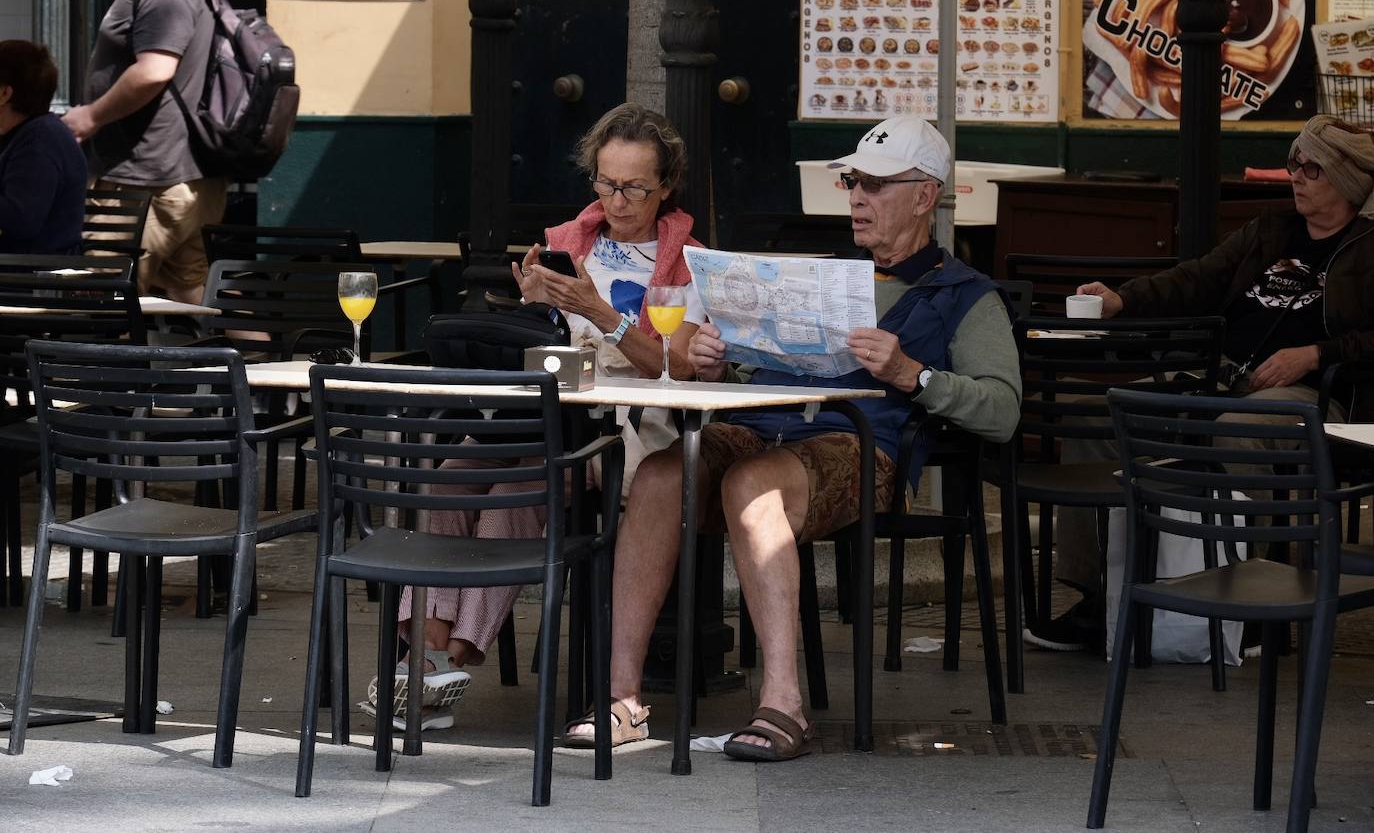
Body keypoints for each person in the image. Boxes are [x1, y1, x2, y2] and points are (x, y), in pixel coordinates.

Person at [564, 116, 1021, 759]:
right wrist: (726, 361)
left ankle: (784, 704)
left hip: (865, 448)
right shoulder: (826, 280)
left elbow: (1002, 412)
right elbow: (761, 369)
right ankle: (621, 701)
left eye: (877, 186)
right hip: (759, 426)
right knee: (664, 472)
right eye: (853, 181)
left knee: (752, 485)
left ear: (925, 196)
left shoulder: (965, 294)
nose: (858, 197)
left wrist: (913, 375)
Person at [365, 103, 706, 731]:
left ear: (666, 188)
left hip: (623, 430)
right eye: (606, 183)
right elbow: (540, 347)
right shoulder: (566, 243)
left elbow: (678, 367)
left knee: (514, 495)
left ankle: (443, 663)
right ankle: (430, 663)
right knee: (449, 478)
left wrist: (603, 314)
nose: (618, 200)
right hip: (540, 417)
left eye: (635, 187)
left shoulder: (692, 262)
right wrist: (534, 310)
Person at [1033, 113, 1374, 653]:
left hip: (1319, 393)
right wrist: (1125, 298)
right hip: (1223, 374)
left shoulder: (1369, 246)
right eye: (1294, 163)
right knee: (1101, 413)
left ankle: (1255, 605)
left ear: (1349, 180)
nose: (1297, 176)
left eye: (1312, 167)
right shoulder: (1270, 230)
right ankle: (1101, 596)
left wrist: (1314, 354)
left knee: (1239, 425)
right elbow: (1199, 276)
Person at [64, 0, 226, 303]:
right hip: (177, 179)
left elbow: (155, 70)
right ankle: (263, 361)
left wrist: (90, 116)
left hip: (146, 183)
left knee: (103, 301)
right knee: (194, 296)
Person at [0, 41, 86, 254]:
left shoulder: (39, 141)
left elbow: (20, 220)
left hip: (29, 277)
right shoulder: (23, 134)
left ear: (4, 93)